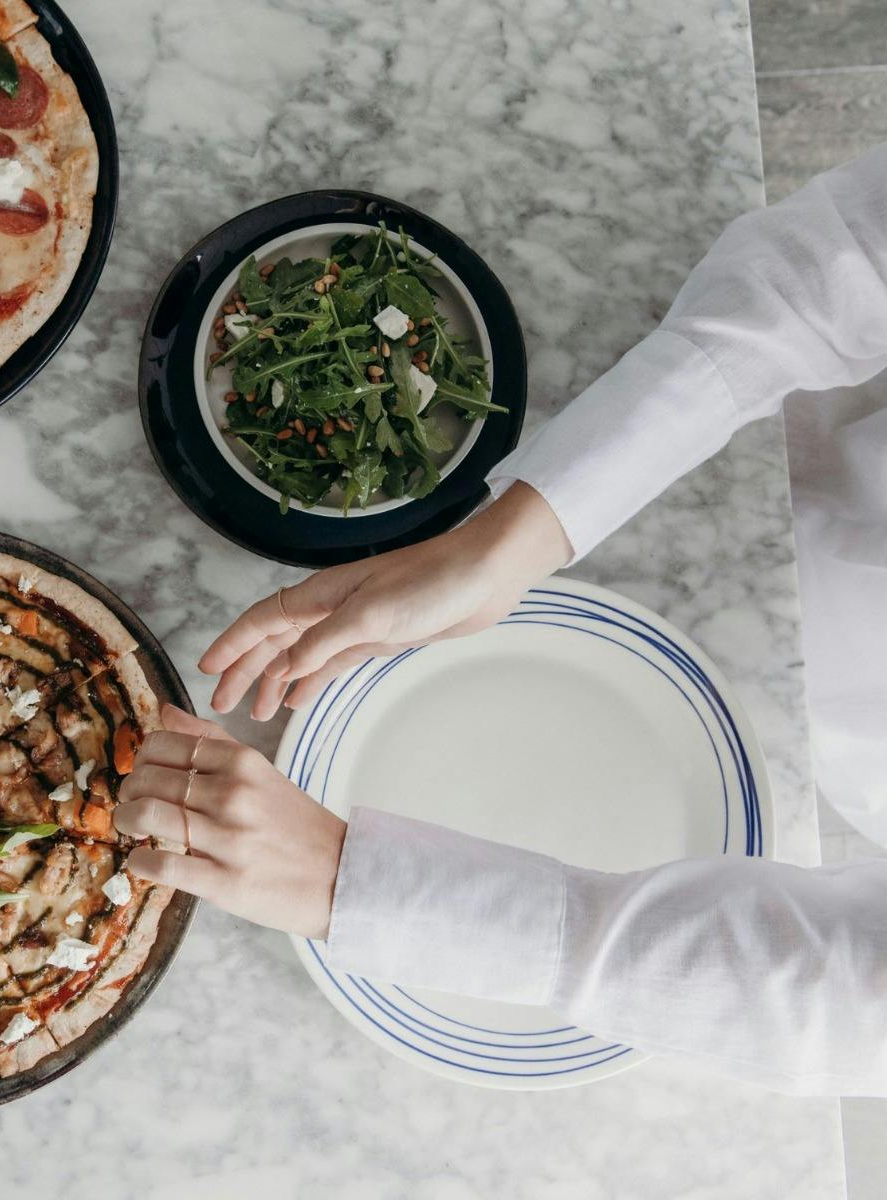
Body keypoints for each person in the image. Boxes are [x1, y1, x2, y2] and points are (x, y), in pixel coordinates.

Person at [114, 145, 887, 1097]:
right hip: (794, 487)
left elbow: (850, 1005)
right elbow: (851, 256)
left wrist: (361, 886)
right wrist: (513, 538)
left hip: (830, 740)